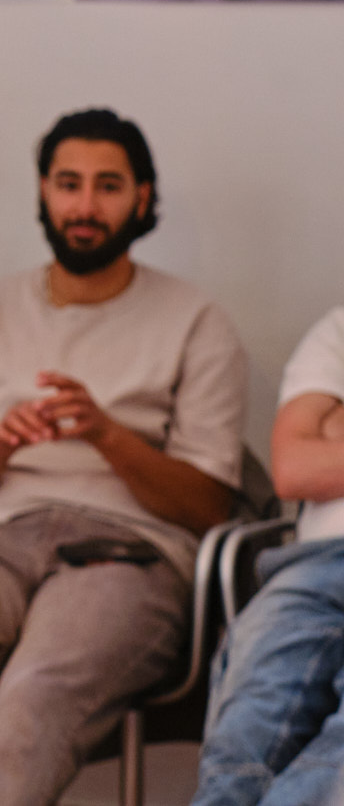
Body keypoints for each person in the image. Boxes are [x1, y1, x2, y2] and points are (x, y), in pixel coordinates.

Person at [0, 108, 248, 806]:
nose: (85, 206)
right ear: (43, 191)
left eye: (108, 186)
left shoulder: (197, 321)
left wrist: (106, 434)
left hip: (124, 550)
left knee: (30, 701)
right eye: (69, 184)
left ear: (143, 198)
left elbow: (207, 506)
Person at [191, 306, 344, 806]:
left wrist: (333, 430)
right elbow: (295, 469)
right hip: (317, 565)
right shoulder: (339, 330)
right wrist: (314, 448)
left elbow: (316, 458)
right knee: (244, 734)